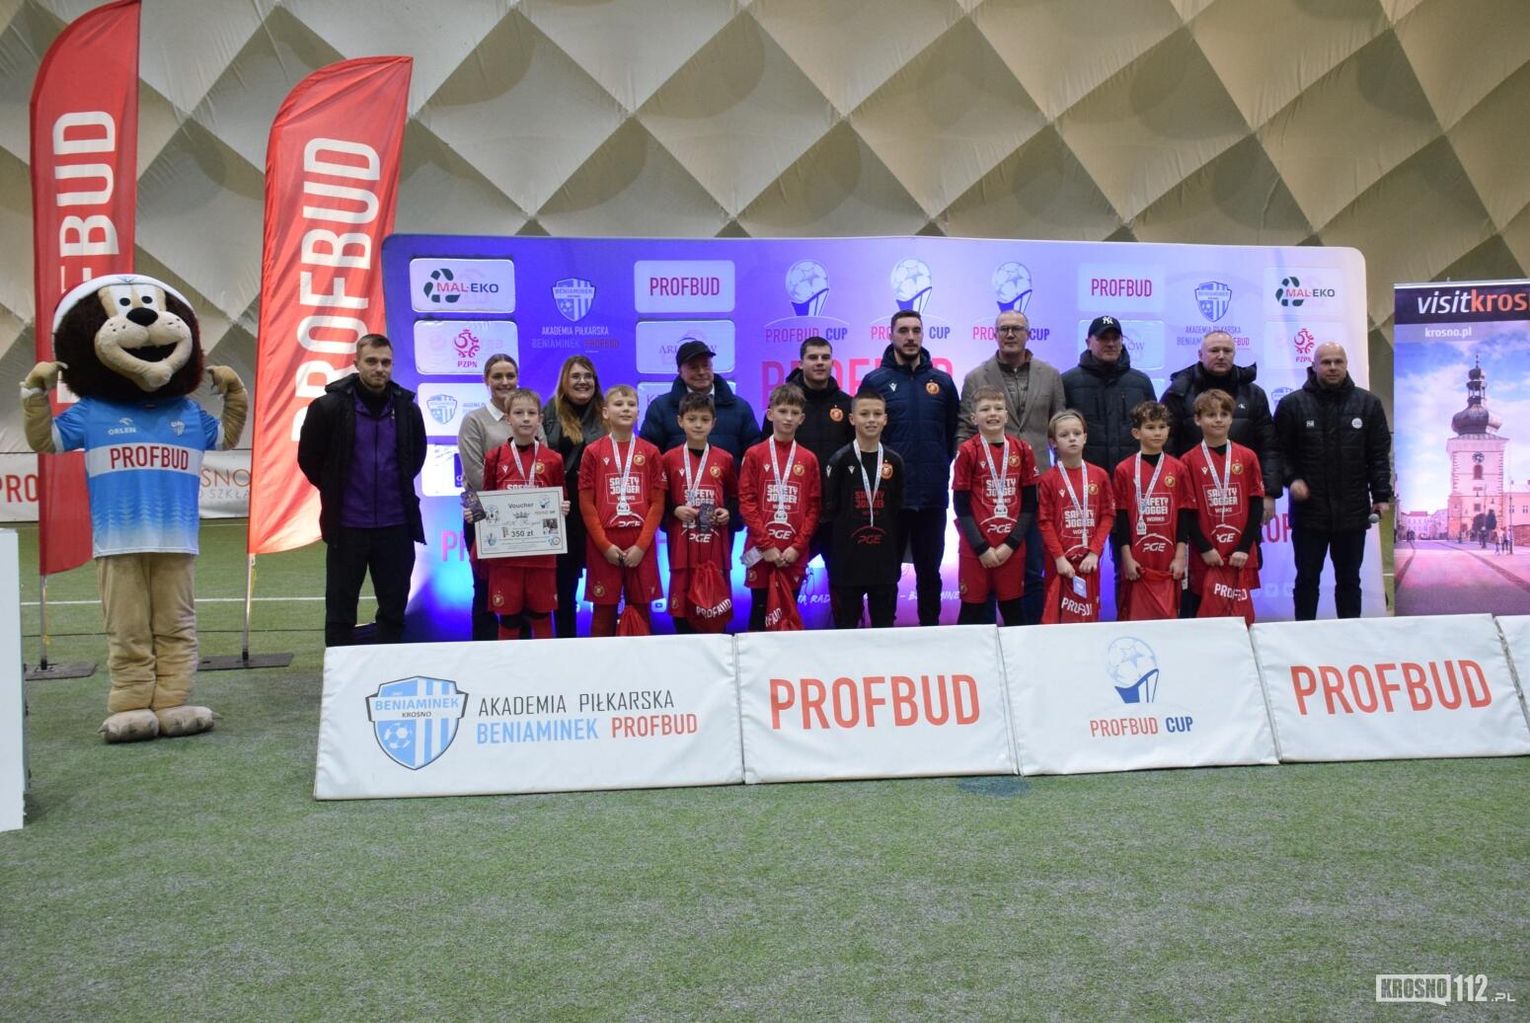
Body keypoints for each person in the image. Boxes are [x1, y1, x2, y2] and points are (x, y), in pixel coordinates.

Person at [297, 334, 426, 647]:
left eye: (386, 362)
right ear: (356, 364)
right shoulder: (327, 407)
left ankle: (390, 668)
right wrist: (336, 489)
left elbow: (416, 457)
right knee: (340, 612)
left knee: (394, 610)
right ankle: (340, 671)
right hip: (347, 527)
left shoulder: (407, 410)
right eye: (372, 361)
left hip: (396, 526)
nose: (379, 368)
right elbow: (309, 459)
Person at [957, 309, 1065, 625]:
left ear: (1028, 334)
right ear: (994, 334)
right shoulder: (976, 377)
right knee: (985, 573)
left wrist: (1060, 480)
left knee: (1031, 569)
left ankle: (1027, 637)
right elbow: (963, 429)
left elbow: (1058, 429)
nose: (1010, 334)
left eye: (1017, 328)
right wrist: (970, 466)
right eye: (1003, 328)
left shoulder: (1051, 375)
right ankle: (986, 638)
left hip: (1035, 490)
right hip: (985, 494)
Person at [1273, 342, 1392, 619]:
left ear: (1346, 364)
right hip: (1309, 512)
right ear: (1314, 366)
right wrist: (1292, 479)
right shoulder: (1292, 404)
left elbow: (1378, 454)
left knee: (1350, 580)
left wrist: (1381, 495)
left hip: (1353, 511)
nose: (1333, 367)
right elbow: (1278, 453)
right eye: (1326, 362)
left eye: (1338, 361)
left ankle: (1348, 635)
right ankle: (1304, 633)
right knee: (1307, 579)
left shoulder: (1368, 404)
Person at [861, 309, 959, 626]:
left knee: (929, 571)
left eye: (916, 330)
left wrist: (937, 466)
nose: (910, 337)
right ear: (891, 335)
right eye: (903, 330)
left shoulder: (942, 382)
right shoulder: (875, 381)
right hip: (889, 497)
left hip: (931, 495)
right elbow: (863, 436)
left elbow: (951, 434)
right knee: (885, 572)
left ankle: (930, 632)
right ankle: (883, 633)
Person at [1161, 329, 1281, 524]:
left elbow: (1269, 447)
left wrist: (1269, 493)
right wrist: (1172, 490)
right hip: (1193, 494)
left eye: (1227, 350)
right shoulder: (1178, 393)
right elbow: (1166, 446)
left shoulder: (1254, 394)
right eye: (1214, 350)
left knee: (1247, 543)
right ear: (1200, 354)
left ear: (1234, 354)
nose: (1221, 355)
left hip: (1244, 493)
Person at [578, 385, 666, 636]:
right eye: (618, 404)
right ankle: (601, 660)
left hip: (640, 540)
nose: (626, 409)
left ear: (638, 412)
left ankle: (642, 660)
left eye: (631, 404)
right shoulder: (592, 452)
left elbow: (657, 503)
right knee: (603, 612)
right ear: (605, 412)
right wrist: (604, 546)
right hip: (604, 540)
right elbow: (587, 504)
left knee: (641, 610)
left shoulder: (650, 452)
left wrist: (641, 546)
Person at [480, 389, 567, 640]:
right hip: (506, 557)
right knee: (509, 617)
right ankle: (506, 664)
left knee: (542, 615)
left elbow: (561, 496)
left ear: (540, 418)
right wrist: (474, 512)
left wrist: (562, 508)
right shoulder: (495, 457)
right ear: (508, 418)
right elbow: (485, 497)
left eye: (531, 413)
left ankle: (545, 663)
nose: (526, 418)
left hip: (541, 556)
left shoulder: (553, 459)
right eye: (519, 413)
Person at [762, 336, 853, 566]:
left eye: (825, 357)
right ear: (801, 363)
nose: (820, 362)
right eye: (813, 357)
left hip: (836, 511)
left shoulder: (847, 404)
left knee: (842, 579)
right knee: (786, 574)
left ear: (832, 362)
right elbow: (766, 451)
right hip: (793, 510)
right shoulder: (785, 406)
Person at [953, 386, 1038, 627]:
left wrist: (1011, 544)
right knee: (971, 612)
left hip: (1011, 548)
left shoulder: (1023, 449)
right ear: (974, 418)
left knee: (1014, 612)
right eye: (985, 409)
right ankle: (965, 656)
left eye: (998, 408)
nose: (992, 413)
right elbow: (960, 505)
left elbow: (1030, 504)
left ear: (1006, 415)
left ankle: (1018, 656)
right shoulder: (967, 451)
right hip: (976, 549)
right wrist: (982, 548)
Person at [739, 383, 821, 631]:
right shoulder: (754, 454)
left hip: (793, 554)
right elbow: (747, 502)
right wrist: (766, 546)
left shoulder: (809, 459)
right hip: (760, 551)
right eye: (783, 411)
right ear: (770, 413)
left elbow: (813, 507)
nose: (788, 418)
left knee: (789, 613)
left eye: (794, 413)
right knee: (759, 613)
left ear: (802, 418)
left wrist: (797, 547)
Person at [821, 388, 905, 629]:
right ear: (852, 418)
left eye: (877, 414)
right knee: (846, 628)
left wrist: (895, 559)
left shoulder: (895, 461)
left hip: (884, 563)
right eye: (864, 414)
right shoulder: (839, 460)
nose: (871, 419)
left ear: (885, 419)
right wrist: (835, 561)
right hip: (848, 563)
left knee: (884, 627)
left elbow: (899, 513)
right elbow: (829, 514)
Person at [1182, 390, 1264, 620]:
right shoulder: (1187, 461)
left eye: (1224, 414)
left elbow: (1256, 505)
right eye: (1211, 415)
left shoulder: (1247, 457)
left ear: (1231, 418)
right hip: (1207, 554)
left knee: (1240, 617)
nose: (1218, 419)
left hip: (1240, 552)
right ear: (1198, 419)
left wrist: (1244, 547)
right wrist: (1204, 548)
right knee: (1205, 615)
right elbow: (1187, 512)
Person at [661, 393, 736, 633]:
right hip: (682, 547)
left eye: (704, 419)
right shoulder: (668, 459)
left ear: (714, 423)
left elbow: (735, 498)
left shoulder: (725, 459)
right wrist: (674, 510)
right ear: (680, 421)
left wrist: (727, 512)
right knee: (682, 612)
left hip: (714, 547)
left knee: (714, 612)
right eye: (692, 419)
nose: (698, 425)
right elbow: (658, 502)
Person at [543, 356, 606, 637]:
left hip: (600, 506)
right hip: (564, 508)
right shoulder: (549, 411)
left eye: (588, 376)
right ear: (564, 381)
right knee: (564, 581)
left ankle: (606, 642)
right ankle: (565, 640)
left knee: (605, 579)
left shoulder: (607, 412)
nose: (583, 381)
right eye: (576, 376)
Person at [457, 353, 519, 640]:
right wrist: (514, 501)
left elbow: (542, 461)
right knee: (484, 588)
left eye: (510, 376)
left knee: (521, 588)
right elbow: (475, 475)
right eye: (498, 376)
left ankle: (521, 650)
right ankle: (483, 654)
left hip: (523, 516)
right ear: (486, 380)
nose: (505, 382)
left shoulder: (527, 414)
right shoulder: (473, 420)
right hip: (480, 512)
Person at [1111, 401, 1191, 621]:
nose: (1157, 432)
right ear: (1136, 433)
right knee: (1135, 616)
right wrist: (1126, 557)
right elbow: (1121, 517)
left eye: (1162, 427)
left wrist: (1180, 556)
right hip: (1137, 557)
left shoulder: (1178, 469)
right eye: (1150, 427)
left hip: (1169, 556)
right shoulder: (1124, 470)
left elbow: (1184, 514)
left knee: (1169, 617)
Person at [1037, 410, 1113, 624]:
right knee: (1057, 618)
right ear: (1053, 442)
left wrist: (1094, 553)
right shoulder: (1048, 480)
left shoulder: (1100, 475)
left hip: (1089, 562)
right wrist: (1059, 558)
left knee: (1088, 617)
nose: (1072, 438)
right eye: (1064, 435)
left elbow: (1107, 516)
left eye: (1077, 433)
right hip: (1060, 564)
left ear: (1085, 437)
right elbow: (1044, 522)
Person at [640, 336, 761, 462]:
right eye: (694, 367)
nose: (701, 372)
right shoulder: (660, 408)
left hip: (728, 476)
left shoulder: (740, 408)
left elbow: (754, 457)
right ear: (680, 371)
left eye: (706, 366)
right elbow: (649, 456)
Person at [1061, 315, 1156, 474]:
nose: (1111, 344)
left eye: (1115, 338)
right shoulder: (1068, 382)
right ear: (1088, 342)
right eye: (1103, 338)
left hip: (1133, 475)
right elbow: (1058, 433)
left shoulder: (1141, 383)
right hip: (1083, 477)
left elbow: (1154, 430)